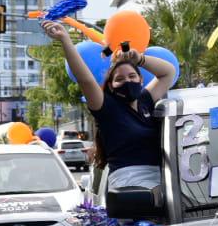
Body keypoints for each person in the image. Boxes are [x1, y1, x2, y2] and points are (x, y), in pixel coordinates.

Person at [42, 20, 177, 190]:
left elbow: (168, 72)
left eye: (132, 76)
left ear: (141, 80)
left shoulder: (145, 101)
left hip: (163, 182)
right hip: (128, 186)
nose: (127, 81)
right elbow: (85, 80)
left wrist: (140, 59)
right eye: (119, 79)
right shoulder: (106, 107)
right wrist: (65, 40)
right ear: (111, 86)